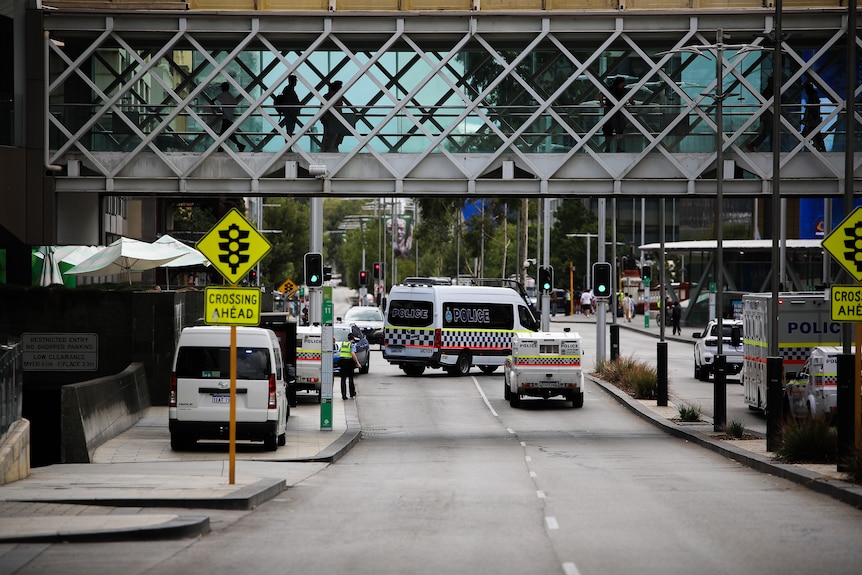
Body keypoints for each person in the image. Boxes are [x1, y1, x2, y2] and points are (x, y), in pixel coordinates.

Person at [745, 76, 774, 152]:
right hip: (769, 115)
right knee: (767, 131)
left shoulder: (767, 91)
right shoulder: (770, 91)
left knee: (767, 131)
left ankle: (753, 144)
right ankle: (753, 145)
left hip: (768, 115)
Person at [215, 81, 245, 152]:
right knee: (228, 134)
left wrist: (216, 109)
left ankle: (222, 147)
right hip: (229, 117)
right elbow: (234, 103)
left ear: (223, 88)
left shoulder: (222, 95)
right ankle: (238, 145)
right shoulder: (230, 95)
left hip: (225, 117)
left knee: (224, 134)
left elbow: (213, 100)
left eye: (222, 87)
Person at [601, 76, 628, 152]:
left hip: (609, 112)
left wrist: (601, 102)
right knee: (619, 131)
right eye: (623, 82)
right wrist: (632, 103)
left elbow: (600, 95)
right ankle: (618, 147)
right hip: (619, 113)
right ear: (620, 83)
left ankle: (608, 147)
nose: (624, 84)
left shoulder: (609, 89)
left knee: (608, 131)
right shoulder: (624, 91)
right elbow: (631, 99)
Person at [321, 81, 346, 152]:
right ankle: (331, 147)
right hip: (331, 117)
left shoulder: (328, 96)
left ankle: (329, 147)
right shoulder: (333, 96)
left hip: (331, 117)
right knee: (331, 134)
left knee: (329, 133)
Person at [802, 81, 826, 152]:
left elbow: (812, 110)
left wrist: (806, 119)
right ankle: (821, 149)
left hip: (812, 122)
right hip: (813, 121)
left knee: (808, 136)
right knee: (816, 136)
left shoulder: (812, 97)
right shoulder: (813, 96)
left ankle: (801, 149)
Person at [338, 332, 360, 400]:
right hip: (349, 362)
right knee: (350, 378)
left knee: (343, 379)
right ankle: (352, 393)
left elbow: (340, 351)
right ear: (353, 338)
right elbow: (353, 353)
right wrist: (357, 363)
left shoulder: (343, 344)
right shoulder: (351, 344)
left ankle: (343, 395)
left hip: (342, 361)